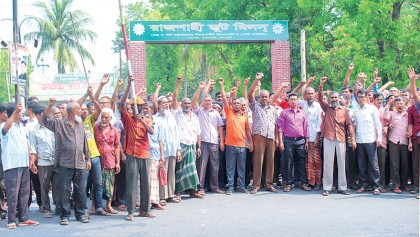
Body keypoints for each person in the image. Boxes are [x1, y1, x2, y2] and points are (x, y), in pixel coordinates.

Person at [43, 98, 91, 225]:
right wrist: (50, 105)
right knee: (64, 190)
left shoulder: (80, 124)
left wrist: (88, 158)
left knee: (80, 190)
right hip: (65, 163)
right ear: (74, 111)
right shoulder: (59, 123)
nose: (82, 112)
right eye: (80, 110)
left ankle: (80, 214)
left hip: (80, 163)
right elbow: (45, 120)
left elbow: (84, 142)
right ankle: (65, 216)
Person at [119, 76, 154, 221]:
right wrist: (128, 86)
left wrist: (142, 121)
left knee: (146, 183)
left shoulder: (146, 119)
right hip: (131, 154)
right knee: (132, 183)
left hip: (144, 154)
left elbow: (151, 132)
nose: (136, 109)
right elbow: (121, 104)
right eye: (134, 106)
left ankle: (144, 210)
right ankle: (131, 211)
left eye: (138, 107)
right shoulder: (127, 118)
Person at [1, 103, 39, 229]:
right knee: (12, 193)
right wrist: (14, 112)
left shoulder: (22, 127)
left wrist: (31, 161)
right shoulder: (4, 125)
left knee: (25, 192)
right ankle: (11, 220)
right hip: (12, 165)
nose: (22, 114)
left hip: (23, 163)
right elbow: (5, 130)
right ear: (14, 113)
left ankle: (24, 218)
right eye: (19, 112)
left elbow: (26, 144)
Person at [318, 77, 356, 196]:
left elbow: (349, 124)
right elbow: (319, 98)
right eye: (332, 98)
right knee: (328, 164)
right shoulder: (326, 108)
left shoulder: (344, 110)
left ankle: (342, 187)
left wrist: (353, 139)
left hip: (341, 138)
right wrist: (321, 85)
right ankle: (327, 187)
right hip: (329, 138)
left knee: (342, 164)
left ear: (339, 99)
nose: (334, 99)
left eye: (336, 97)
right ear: (330, 99)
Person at [219, 78, 253, 195]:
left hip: (242, 146)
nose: (237, 105)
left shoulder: (244, 116)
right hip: (230, 145)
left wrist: (251, 143)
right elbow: (224, 99)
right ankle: (231, 187)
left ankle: (242, 186)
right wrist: (222, 86)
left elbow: (248, 130)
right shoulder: (229, 112)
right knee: (230, 167)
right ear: (232, 105)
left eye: (238, 103)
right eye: (235, 103)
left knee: (242, 168)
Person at [172, 77, 204, 199]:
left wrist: (199, 147)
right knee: (180, 169)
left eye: (188, 103)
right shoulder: (177, 113)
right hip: (181, 145)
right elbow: (174, 98)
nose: (187, 105)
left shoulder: (195, 117)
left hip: (192, 145)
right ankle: (178, 193)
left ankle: (193, 191)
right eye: (185, 103)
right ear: (181, 104)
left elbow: (198, 133)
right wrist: (178, 83)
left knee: (192, 169)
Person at [78, 87, 108, 216]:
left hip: (95, 156)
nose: (84, 111)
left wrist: (93, 99)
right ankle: (84, 209)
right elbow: (76, 105)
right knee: (83, 185)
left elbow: (100, 110)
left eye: (86, 109)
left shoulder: (90, 120)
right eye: (82, 109)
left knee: (98, 184)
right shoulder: (76, 122)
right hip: (83, 158)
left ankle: (99, 208)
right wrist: (85, 94)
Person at [192, 81, 225, 194]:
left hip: (214, 142)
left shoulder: (215, 113)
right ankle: (200, 187)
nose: (208, 102)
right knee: (202, 166)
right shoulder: (198, 111)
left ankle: (214, 186)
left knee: (215, 165)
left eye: (209, 100)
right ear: (202, 102)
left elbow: (220, 127)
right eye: (205, 100)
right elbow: (193, 102)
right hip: (203, 142)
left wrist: (222, 142)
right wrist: (200, 89)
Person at [247, 73, 278, 194]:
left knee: (270, 161)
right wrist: (256, 80)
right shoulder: (255, 106)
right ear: (259, 98)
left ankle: (269, 184)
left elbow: (275, 124)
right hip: (259, 136)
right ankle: (256, 185)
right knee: (258, 160)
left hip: (270, 136)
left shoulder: (273, 109)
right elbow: (250, 94)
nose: (264, 99)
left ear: (269, 98)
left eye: (266, 97)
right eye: (262, 97)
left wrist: (276, 138)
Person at [28, 105, 60, 218]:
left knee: (57, 186)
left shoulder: (53, 128)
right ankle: (47, 209)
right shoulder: (33, 131)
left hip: (56, 162)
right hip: (43, 163)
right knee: (44, 187)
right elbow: (33, 148)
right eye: (43, 114)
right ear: (37, 116)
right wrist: (32, 162)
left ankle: (58, 207)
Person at [278, 92, 311, 192]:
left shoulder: (302, 113)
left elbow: (306, 127)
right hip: (288, 141)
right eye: (291, 99)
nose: (293, 101)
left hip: (301, 141)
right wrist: (281, 142)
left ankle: (303, 183)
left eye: (295, 99)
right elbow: (280, 128)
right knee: (288, 163)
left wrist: (307, 141)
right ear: (288, 100)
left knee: (301, 163)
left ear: (298, 101)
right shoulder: (284, 113)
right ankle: (288, 183)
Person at [353, 89, 382, 195]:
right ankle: (363, 185)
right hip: (359, 140)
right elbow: (355, 125)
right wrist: (354, 140)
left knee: (374, 165)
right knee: (361, 164)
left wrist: (379, 139)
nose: (360, 99)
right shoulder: (356, 110)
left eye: (362, 97)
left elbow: (378, 124)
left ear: (366, 97)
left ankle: (376, 186)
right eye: (359, 97)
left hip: (370, 140)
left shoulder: (372, 109)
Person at [153, 95, 182, 203]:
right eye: (164, 103)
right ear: (159, 105)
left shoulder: (172, 118)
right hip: (162, 151)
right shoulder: (155, 119)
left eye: (167, 103)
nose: (167, 105)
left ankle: (170, 194)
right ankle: (162, 196)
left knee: (171, 173)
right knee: (162, 173)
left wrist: (178, 149)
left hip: (172, 149)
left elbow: (176, 134)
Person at [94, 108, 121, 214]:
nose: (104, 119)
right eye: (102, 117)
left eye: (106, 117)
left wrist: (117, 162)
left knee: (110, 183)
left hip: (110, 159)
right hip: (97, 159)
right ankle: (95, 205)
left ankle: (108, 205)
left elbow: (117, 146)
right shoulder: (95, 127)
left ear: (110, 118)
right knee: (96, 183)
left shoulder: (114, 130)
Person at [299, 86, 323, 190]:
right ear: (305, 95)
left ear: (315, 94)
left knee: (316, 160)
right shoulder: (303, 105)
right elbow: (292, 96)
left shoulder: (318, 106)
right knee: (308, 161)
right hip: (304, 138)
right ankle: (311, 182)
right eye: (308, 93)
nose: (310, 95)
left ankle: (318, 182)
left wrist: (317, 137)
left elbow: (319, 122)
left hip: (314, 137)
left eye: (312, 93)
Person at [384, 97, 409, 193]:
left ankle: (404, 184)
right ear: (394, 104)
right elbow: (385, 117)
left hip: (405, 141)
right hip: (393, 141)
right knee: (394, 164)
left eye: (401, 103)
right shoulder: (391, 114)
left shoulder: (407, 115)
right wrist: (388, 105)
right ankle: (396, 185)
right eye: (397, 103)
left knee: (405, 164)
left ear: (404, 104)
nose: (399, 105)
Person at [408, 68, 420, 196]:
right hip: (417, 136)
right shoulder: (418, 104)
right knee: (417, 163)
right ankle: (417, 186)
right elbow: (415, 95)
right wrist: (412, 80)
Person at [0, 103, 8, 220]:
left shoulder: (6, 126)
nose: (7, 115)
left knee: (2, 184)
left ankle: (3, 209)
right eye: (5, 112)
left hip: (3, 159)